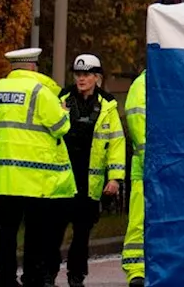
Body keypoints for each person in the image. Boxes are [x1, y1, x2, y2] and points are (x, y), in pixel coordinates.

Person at [0, 47, 76, 287]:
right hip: (36, 178)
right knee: (34, 232)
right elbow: (61, 127)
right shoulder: (40, 91)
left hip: (6, 177)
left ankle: (5, 279)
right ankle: (32, 278)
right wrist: (65, 113)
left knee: (6, 232)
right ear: (32, 67)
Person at [46, 54, 125, 287]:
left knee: (82, 234)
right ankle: (48, 275)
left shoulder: (107, 104)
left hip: (89, 181)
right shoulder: (61, 98)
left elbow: (116, 143)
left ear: (96, 77)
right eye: (78, 74)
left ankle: (76, 276)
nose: (81, 79)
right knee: (55, 230)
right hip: (62, 177)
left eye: (86, 74)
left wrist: (115, 178)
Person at [121, 70, 147, 287]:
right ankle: (136, 271)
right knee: (139, 222)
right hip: (147, 169)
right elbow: (138, 125)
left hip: (170, 169)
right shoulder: (142, 85)